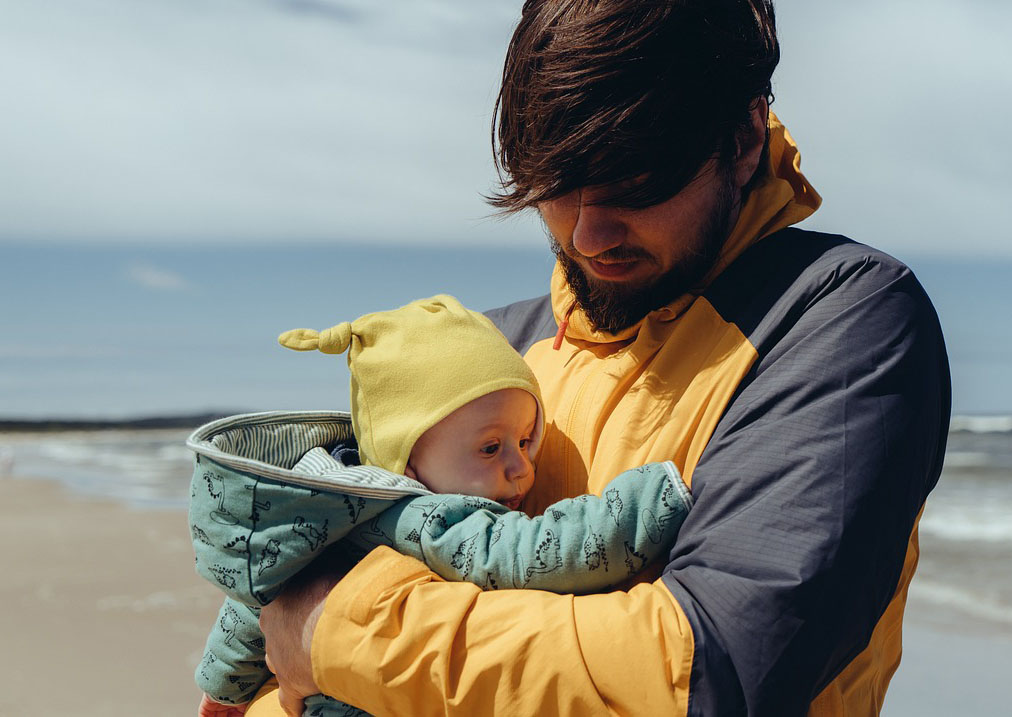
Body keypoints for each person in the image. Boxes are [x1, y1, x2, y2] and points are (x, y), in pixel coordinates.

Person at [253, 1, 951, 715]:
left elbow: (709, 671)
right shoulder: (493, 354)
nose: (587, 235)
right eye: (555, 186)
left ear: (742, 139)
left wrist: (339, 632)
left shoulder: (838, 320)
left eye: (634, 183)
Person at [188, 296, 690, 716]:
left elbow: (250, 607)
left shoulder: (323, 507)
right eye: (491, 448)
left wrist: (222, 689)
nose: (522, 468)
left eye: (525, 439)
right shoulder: (428, 518)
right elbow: (536, 553)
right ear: (406, 462)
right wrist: (652, 499)